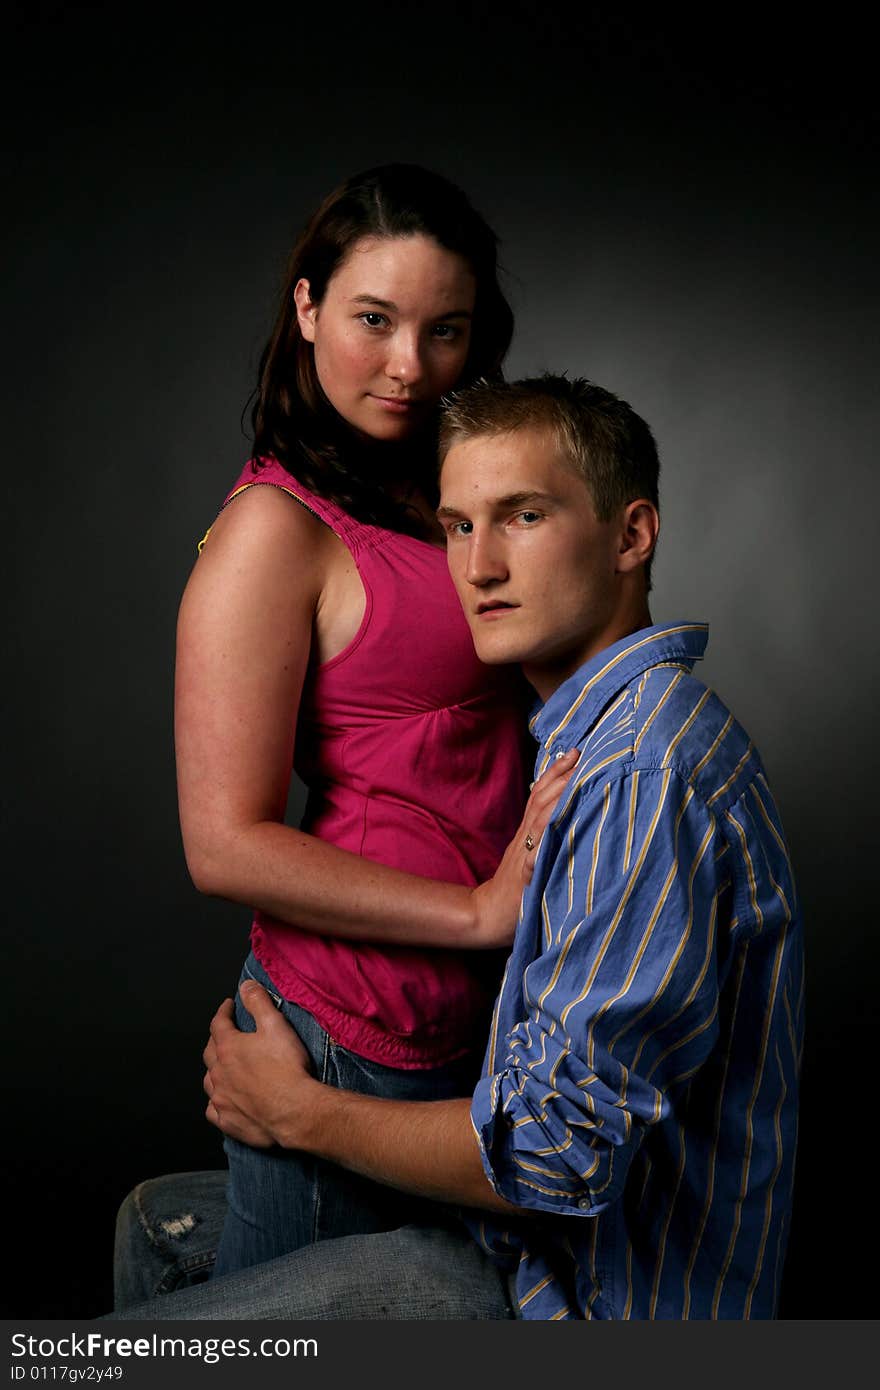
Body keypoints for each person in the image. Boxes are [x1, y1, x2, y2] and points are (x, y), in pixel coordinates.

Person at [111, 374, 802, 1320]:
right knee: (155, 1224)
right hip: (524, 1244)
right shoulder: (587, 733)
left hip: (578, 1304)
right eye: (456, 526)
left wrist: (297, 1112)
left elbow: (558, 1153)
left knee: (93, 1363)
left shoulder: (645, 774)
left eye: (522, 516)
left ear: (631, 536)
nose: (475, 568)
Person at [167, 164, 579, 1279]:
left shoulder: (440, 485)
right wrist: (477, 913)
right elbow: (223, 842)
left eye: (444, 330)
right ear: (306, 310)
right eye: (372, 319)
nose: (409, 365)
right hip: (350, 1032)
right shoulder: (272, 532)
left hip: (481, 1023)